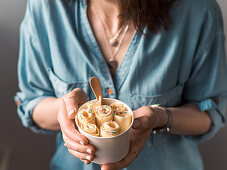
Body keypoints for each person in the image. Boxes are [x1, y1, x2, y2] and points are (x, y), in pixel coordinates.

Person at [15, 0, 227, 169]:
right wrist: (65, 110)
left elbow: (210, 112)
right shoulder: (46, 7)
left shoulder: (198, 11)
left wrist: (161, 118)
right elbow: (32, 102)